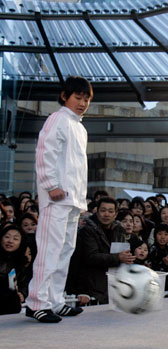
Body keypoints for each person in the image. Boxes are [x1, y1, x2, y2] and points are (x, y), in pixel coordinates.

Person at [26, 76, 92, 323]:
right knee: (50, 250)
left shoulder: (80, 127)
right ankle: (36, 303)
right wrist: (50, 184)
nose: (83, 103)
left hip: (72, 200)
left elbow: (77, 168)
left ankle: (55, 300)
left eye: (86, 99)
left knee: (65, 250)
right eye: (78, 97)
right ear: (65, 96)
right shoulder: (57, 119)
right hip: (56, 197)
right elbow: (45, 152)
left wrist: (80, 201)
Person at [72, 197, 133, 305]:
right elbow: (91, 257)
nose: (106, 214)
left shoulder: (119, 230)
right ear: (97, 211)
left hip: (112, 286)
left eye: (110, 211)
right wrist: (118, 257)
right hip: (91, 286)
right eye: (103, 210)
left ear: (115, 214)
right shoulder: (88, 230)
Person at [0, 226, 29, 315]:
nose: (10, 241)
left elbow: (24, 284)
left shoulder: (21, 263)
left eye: (15, 239)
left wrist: (22, 294)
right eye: (7, 237)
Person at [149, 224, 168, 291]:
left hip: (167, 288)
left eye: (166, 234)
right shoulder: (151, 250)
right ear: (155, 235)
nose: (163, 237)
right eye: (160, 234)